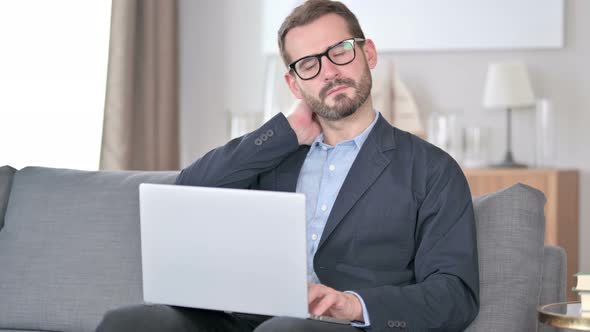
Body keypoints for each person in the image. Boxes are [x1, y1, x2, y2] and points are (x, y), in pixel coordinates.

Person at [96, 1, 479, 331]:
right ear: (294, 85)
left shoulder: (432, 169)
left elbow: (454, 294)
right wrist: (285, 131)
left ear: (369, 54)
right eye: (308, 64)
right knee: (128, 323)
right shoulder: (274, 154)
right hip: (244, 320)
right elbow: (186, 191)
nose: (329, 71)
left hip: (343, 327)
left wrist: (355, 304)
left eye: (340, 51)